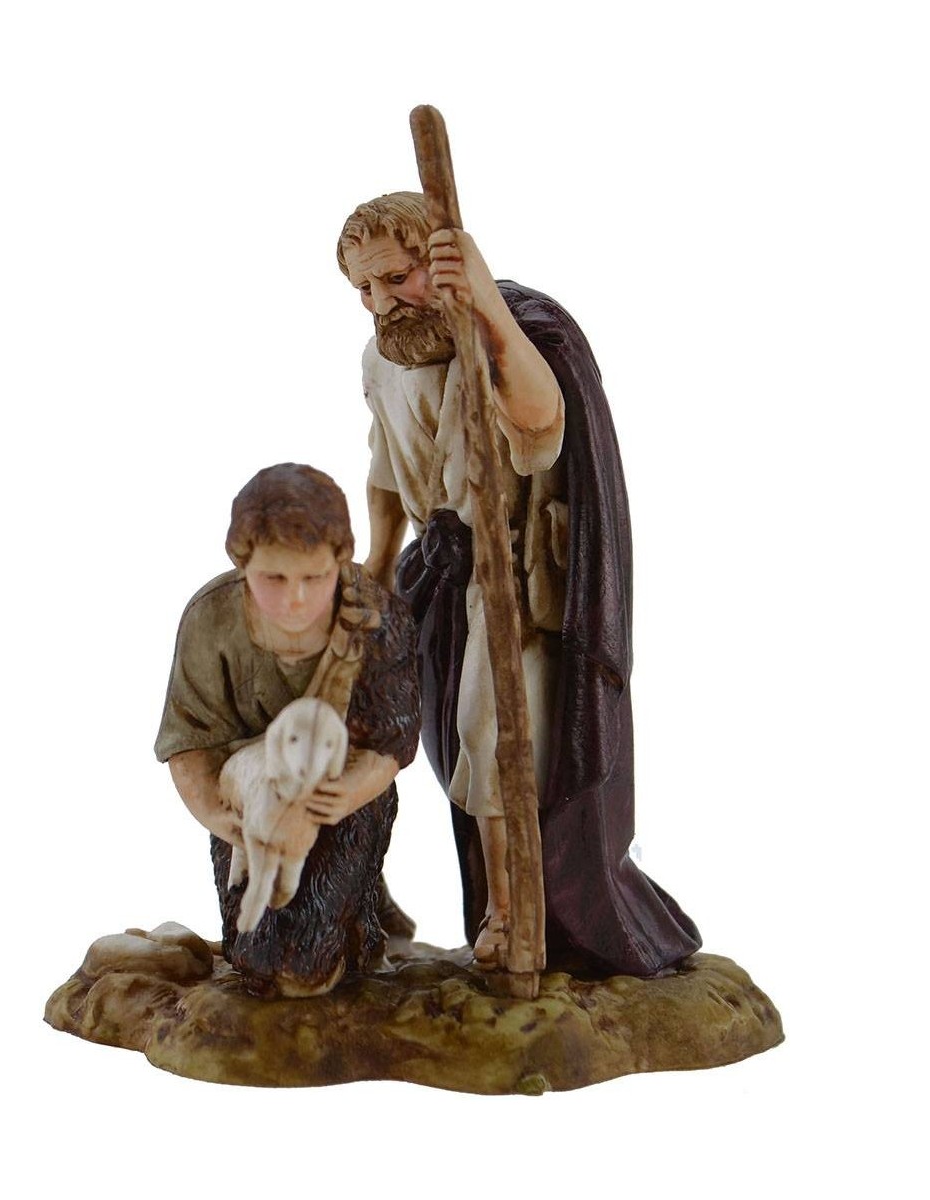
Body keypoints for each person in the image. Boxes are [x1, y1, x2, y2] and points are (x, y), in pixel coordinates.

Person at [337, 192, 701, 977]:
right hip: (441, 581)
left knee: (503, 745)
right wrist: (380, 560)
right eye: (363, 288)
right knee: (454, 756)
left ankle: (517, 918)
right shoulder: (381, 361)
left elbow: (540, 431)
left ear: (443, 263)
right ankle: (469, 908)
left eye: (396, 278)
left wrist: (488, 312)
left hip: (514, 582)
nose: (381, 303)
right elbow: (384, 469)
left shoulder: (511, 339)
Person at [154, 463, 420, 996]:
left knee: (309, 965)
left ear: (340, 562)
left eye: (314, 578)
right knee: (255, 955)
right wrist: (219, 816)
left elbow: (390, 741)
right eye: (274, 579)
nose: (295, 598)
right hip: (248, 800)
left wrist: (349, 794)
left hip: (341, 796)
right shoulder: (211, 621)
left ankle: (353, 929)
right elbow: (190, 745)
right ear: (243, 564)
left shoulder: (374, 620)